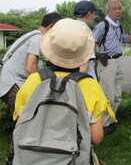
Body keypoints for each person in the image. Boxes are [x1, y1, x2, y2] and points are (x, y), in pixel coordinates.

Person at [13, 18, 116, 157]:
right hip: (70, 157)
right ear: (84, 52)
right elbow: (96, 138)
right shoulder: (90, 86)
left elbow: (21, 124)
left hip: (31, 156)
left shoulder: (33, 80)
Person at [93, 0, 131, 131]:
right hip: (106, 63)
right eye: (114, 9)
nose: (118, 11)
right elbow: (91, 41)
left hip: (117, 62)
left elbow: (127, 39)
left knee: (117, 95)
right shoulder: (103, 25)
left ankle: (110, 120)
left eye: (119, 8)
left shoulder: (118, 26)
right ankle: (103, 125)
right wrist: (93, 61)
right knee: (108, 95)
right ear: (108, 11)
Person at [0, 12, 62, 114]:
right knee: (25, 120)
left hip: (7, 83)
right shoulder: (38, 39)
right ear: (52, 26)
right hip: (14, 84)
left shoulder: (32, 35)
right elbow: (30, 69)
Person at [74, 0, 102, 80]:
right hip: (84, 81)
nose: (94, 17)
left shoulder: (70, 29)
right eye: (94, 14)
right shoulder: (85, 32)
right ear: (89, 14)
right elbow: (84, 69)